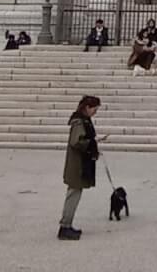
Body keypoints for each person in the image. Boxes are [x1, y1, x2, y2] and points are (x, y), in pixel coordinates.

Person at [59, 95, 102, 241]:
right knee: (73, 195)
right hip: (77, 166)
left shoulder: (83, 121)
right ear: (87, 108)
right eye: (94, 109)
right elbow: (76, 142)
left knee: (74, 194)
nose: (95, 112)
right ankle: (65, 226)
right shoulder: (79, 123)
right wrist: (91, 143)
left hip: (79, 164)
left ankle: (67, 225)